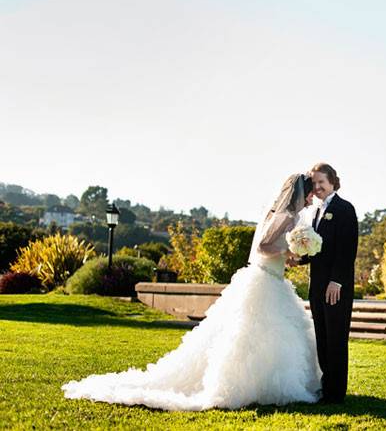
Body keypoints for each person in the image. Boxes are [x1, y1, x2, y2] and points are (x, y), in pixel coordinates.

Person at [62, 174, 322, 410]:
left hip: (274, 279)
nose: (311, 199)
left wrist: (294, 257)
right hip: (264, 281)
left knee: (270, 336)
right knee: (255, 334)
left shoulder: (288, 214)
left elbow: (272, 251)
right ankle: (248, 385)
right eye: (310, 194)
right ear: (300, 193)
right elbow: (265, 246)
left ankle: (265, 381)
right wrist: (289, 249)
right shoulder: (284, 215)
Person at [290, 163, 358, 404]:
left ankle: (335, 393)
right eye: (314, 183)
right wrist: (300, 258)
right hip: (316, 286)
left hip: (335, 288)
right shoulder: (315, 212)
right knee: (322, 336)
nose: (317, 187)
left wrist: (336, 282)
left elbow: (346, 250)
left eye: (321, 182)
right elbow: (318, 249)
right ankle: (326, 386)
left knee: (336, 337)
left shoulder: (345, 209)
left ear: (332, 182)